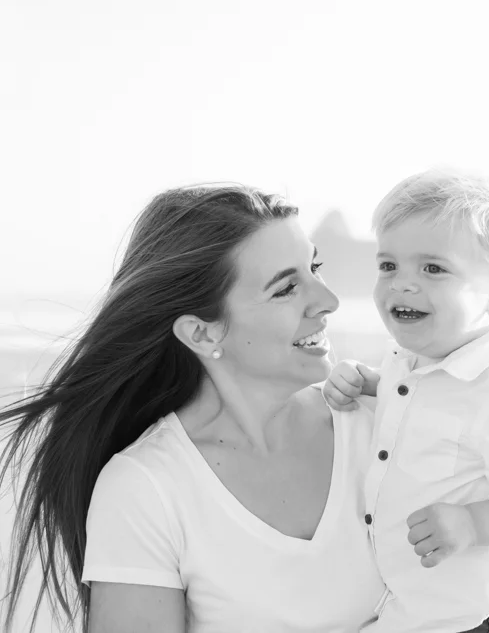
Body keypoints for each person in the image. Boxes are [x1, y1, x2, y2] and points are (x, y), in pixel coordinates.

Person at [0, 184, 386, 632]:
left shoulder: (381, 419)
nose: (328, 301)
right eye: (286, 289)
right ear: (202, 334)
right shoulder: (146, 488)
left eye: (315, 268)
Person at [325, 169, 489, 633]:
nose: (402, 284)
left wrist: (472, 523)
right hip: (410, 610)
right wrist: (369, 384)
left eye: (433, 268)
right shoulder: (410, 360)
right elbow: (430, 407)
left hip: (480, 620)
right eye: (388, 266)